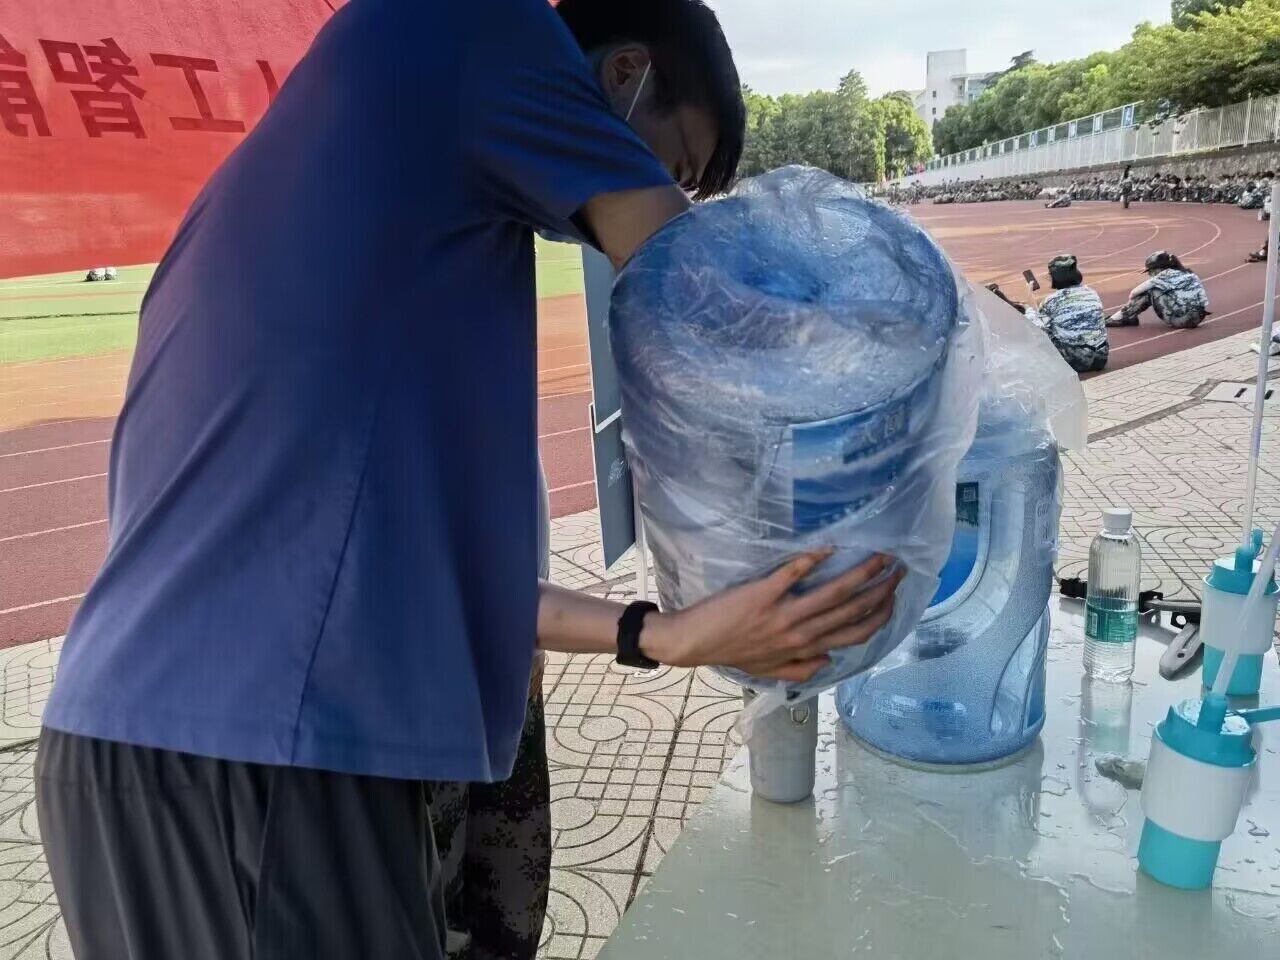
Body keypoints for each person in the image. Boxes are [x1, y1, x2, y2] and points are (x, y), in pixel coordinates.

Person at [34, 2, 906, 959]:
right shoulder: (477, 23)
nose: (666, 196)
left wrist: (665, 634)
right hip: (256, 759)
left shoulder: (395, 199)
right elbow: (705, 296)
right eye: (677, 165)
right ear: (626, 76)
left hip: (155, 752)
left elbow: (412, 581)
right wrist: (912, 402)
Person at [1023, 255, 1109, 373]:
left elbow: (1039, 327)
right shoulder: (1091, 292)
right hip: (1101, 358)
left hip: (1075, 360)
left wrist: (1029, 304)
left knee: (1033, 323)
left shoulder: (1053, 300)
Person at [1108, 251, 1209, 330]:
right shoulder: (1188, 273)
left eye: (1150, 271)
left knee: (1151, 290)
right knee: (1157, 289)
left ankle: (1120, 317)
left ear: (1158, 268)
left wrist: (1132, 304)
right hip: (1198, 317)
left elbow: (1133, 293)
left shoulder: (1163, 276)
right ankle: (1128, 316)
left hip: (1183, 320)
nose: (1150, 274)